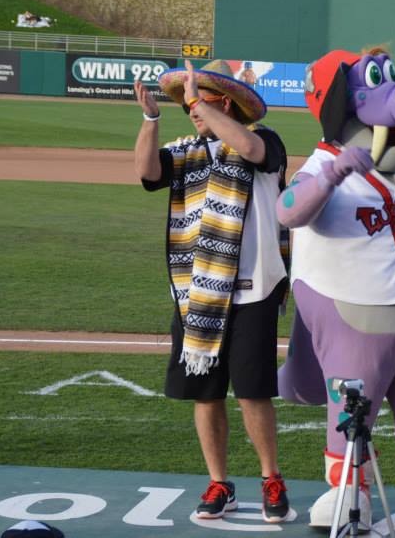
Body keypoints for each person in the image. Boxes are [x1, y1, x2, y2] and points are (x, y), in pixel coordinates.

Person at [133, 59, 292, 524]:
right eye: (188, 103)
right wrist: (150, 120)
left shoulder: (264, 141)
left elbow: (246, 145)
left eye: (200, 100)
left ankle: (271, 478)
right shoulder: (187, 151)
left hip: (253, 290)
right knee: (206, 395)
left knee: (252, 393)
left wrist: (199, 99)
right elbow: (146, 173)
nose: (192, 110)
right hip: (197, 294)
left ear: (226, 102)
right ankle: (220, 482)